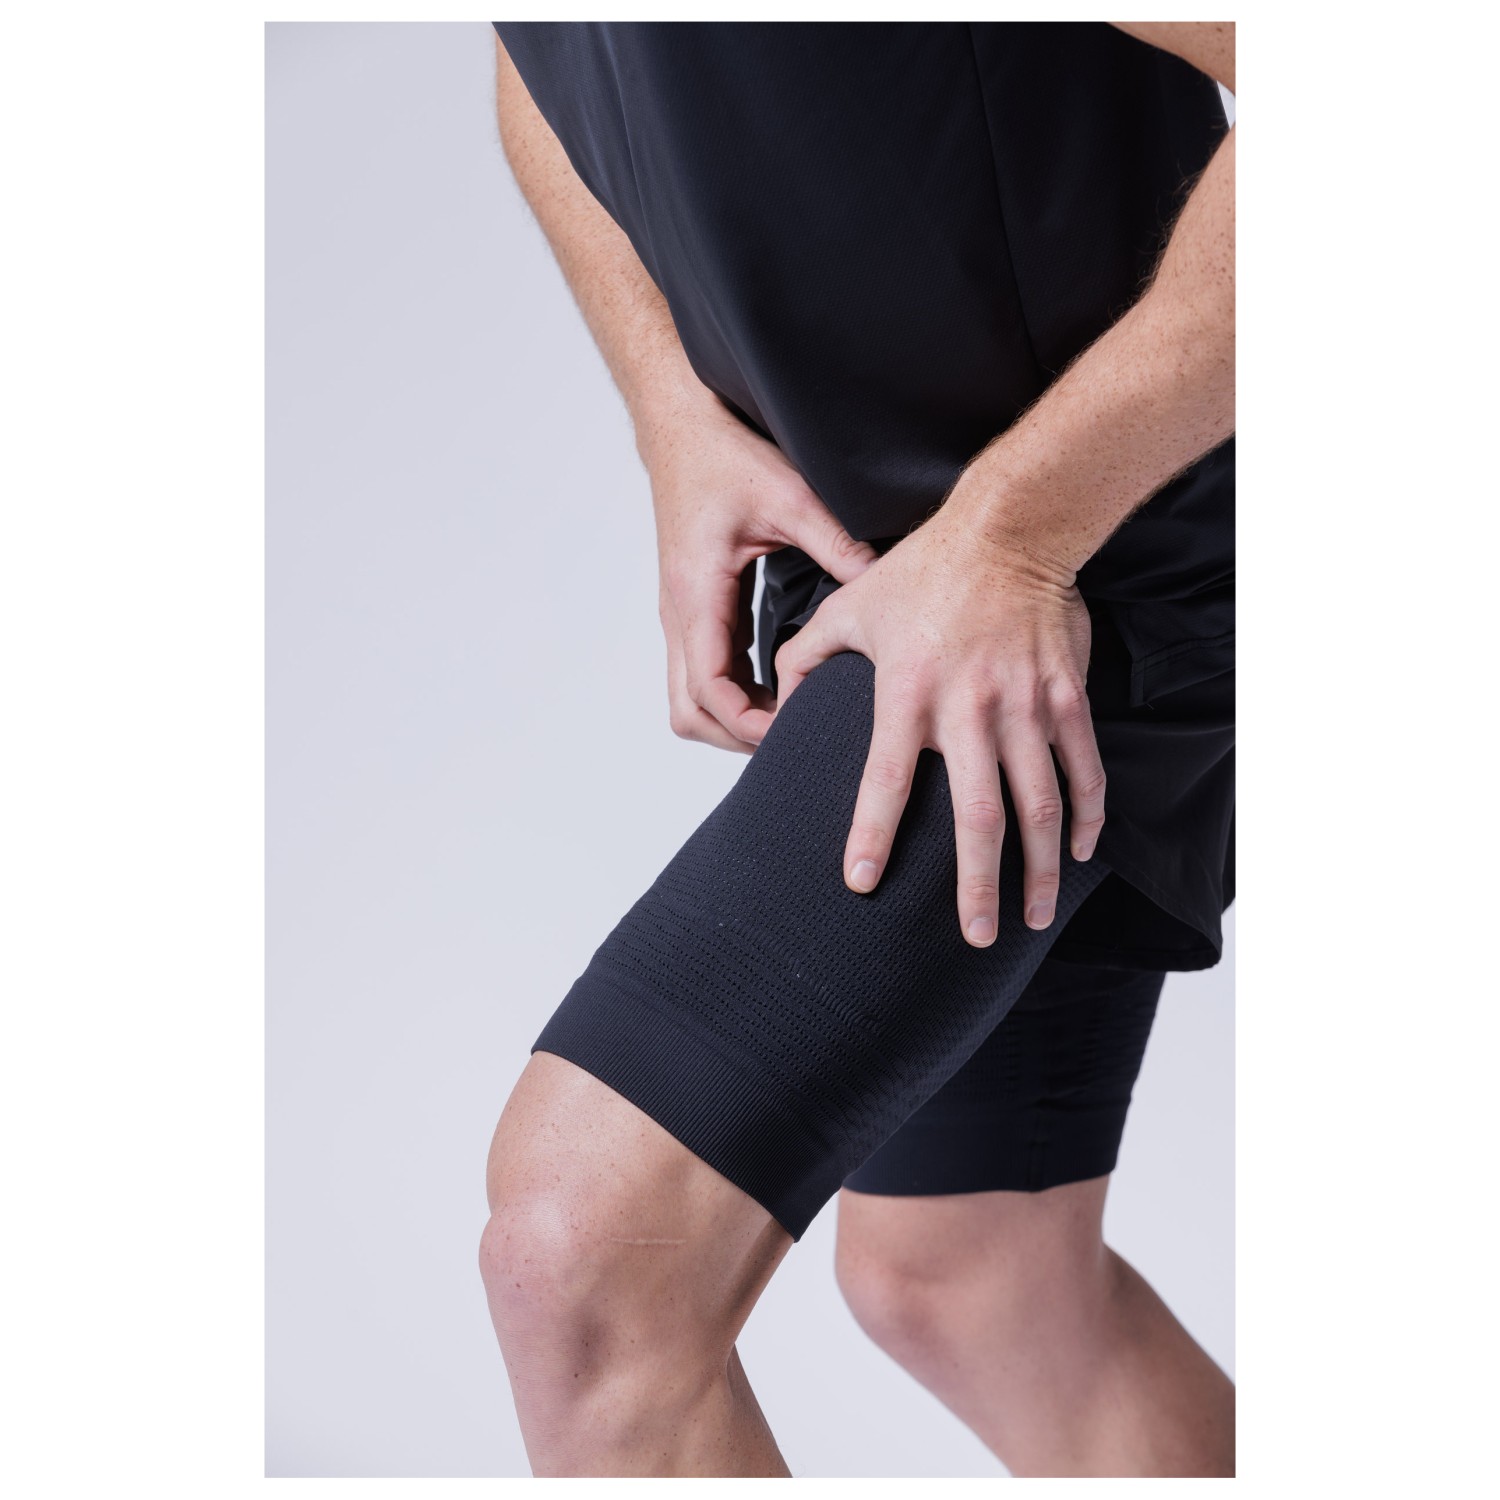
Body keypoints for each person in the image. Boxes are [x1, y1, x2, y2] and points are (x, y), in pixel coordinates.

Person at [479, 20, 1235, 1478]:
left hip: (1083, 562)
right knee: (969, 1278)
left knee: (586, 1260)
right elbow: (529, 52)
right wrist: (671, 414)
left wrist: (1016, 535)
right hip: (900, 570)